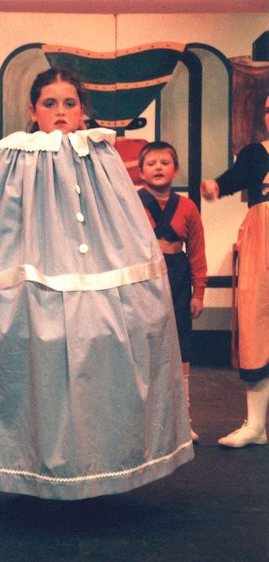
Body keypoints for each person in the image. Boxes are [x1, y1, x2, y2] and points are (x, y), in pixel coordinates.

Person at [0, 69, 194, 500]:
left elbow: (125, 221)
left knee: (102, 360)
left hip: (100, 276)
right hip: (37, 275)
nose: (60, 112)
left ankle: (105, 461)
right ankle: (37, 465)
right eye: (49, 103)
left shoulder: (101, 154)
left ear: (83, 110)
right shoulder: (13, 155)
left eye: (69, 103)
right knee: (43, 365)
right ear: (32, 110)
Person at [200, 93, 269, 448]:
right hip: (263, 239)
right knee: (257, 321)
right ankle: (256, 425)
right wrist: (217, 186)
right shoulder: (257, 153)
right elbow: (237, 176)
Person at [138, 142, 207, 444]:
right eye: (151, 163)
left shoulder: (187, 207)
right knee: (145, 344)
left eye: (165, 162)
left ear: (175, 170)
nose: (158, 167)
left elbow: (197, 252)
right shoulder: (132, 203)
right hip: (144, 278)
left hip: (177, 276)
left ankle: (182, 420)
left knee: (181, 345)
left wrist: (198, 292)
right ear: (141, 172)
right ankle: (146, 423)